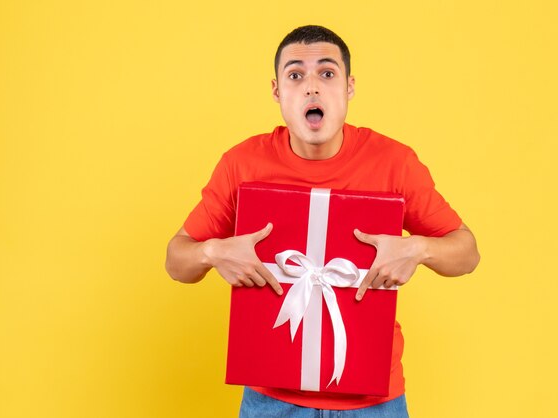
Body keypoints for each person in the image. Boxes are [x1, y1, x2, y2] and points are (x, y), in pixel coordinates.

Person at [165, 25, 480, 418]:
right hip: (271, 402)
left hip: (374, 403)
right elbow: (176, 261)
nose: (311, 87)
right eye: (296, 75)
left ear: (349, 87)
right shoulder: (241, 164)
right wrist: (212, 253)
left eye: (326, 73)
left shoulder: (395, 163)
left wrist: (419, 249)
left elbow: (467, 253)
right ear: (277, 91)